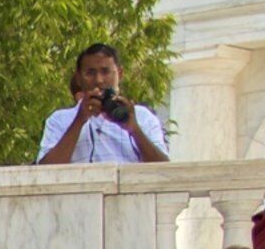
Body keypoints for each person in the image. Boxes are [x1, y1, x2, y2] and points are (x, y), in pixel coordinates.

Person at [36, 43, 170, 165]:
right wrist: (79, 120)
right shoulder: (59, 119)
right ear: (78, 78)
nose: (99, 80)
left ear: (120, 74)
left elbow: (163, 168)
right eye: (90, 73)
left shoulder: (142, 116)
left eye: (105, 72)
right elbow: (45, 170)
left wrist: (134, 129)